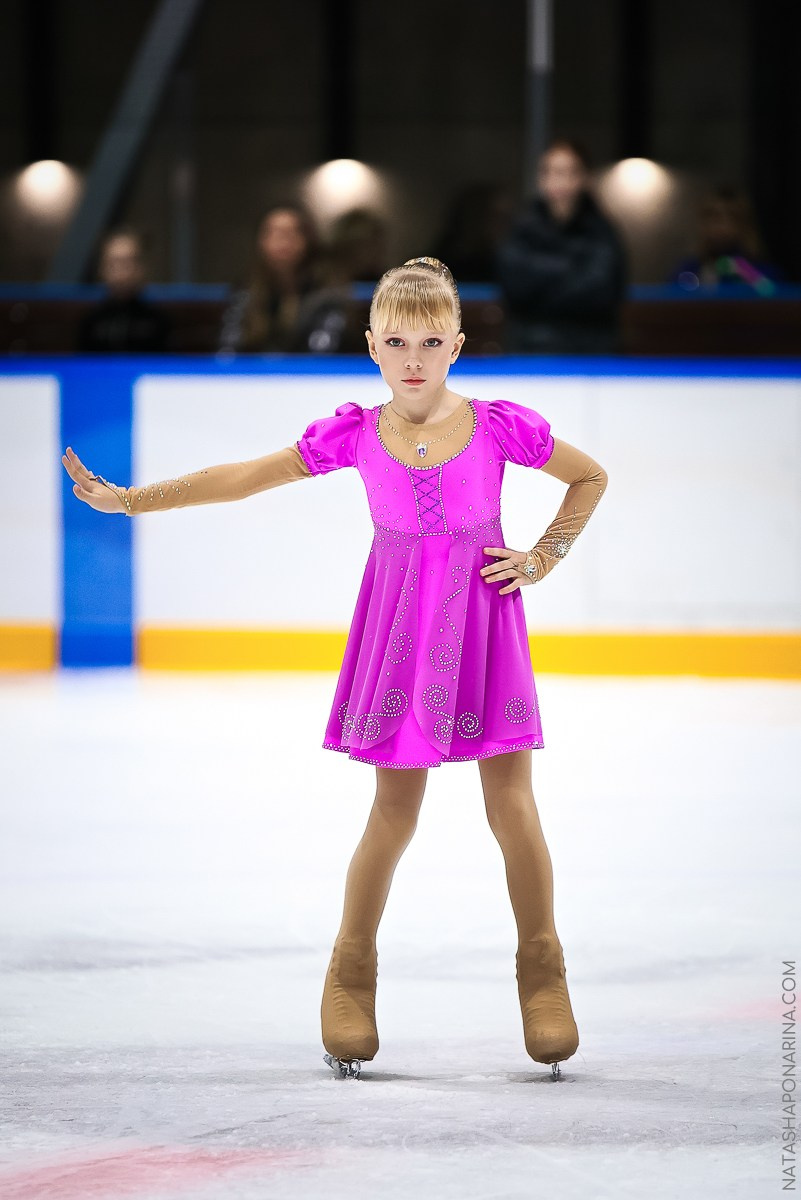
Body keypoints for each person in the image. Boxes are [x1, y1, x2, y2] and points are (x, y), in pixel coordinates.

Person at [61, 256, 609, 1081]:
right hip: (397, 635)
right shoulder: (354, 432)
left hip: (484, 628)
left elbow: (588, 477)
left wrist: (541, 560)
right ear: (371, 346)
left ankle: (543, 972)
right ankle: (350, 973)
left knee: (510, 802)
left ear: (457, 343)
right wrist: (137, 499)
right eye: (397, 341)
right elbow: (244, 477)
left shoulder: (499, 424)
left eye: (430, 341)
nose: (414, 358)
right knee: (393, 809)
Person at [495, 139, 627, 353]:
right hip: (529, 348)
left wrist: (541, 283)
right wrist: (572, 269)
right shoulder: (521, 229)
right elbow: (513, 285)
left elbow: (603, 291)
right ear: (541, 178)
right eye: (551, 172)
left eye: (567, 172)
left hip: (591, 350)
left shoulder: (602, 232)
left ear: (584, 178)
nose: (559, 181)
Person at [219, 203, 355, 354]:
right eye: (273, 233)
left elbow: (322, 353)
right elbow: (228, 350)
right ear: (261, 241)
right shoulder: (245, 290)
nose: (282, 241)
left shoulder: (328, 290)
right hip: (253, 376)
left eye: (290, 233)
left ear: (307, 240)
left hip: (311, 375)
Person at [669, 184, 783, 292]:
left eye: (730, 217)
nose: (720, 226)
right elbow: (668, 300)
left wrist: (743, 270)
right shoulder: (689, 269)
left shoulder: (759, 270)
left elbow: (772, 293)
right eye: (713, 217)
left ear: (744, 225)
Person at [77, 229, 171, 353]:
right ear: (102, 269)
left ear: (141, 268)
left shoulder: (158, 323)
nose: (121, 274)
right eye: (113, 264)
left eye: (128, 263)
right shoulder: (90, 323)